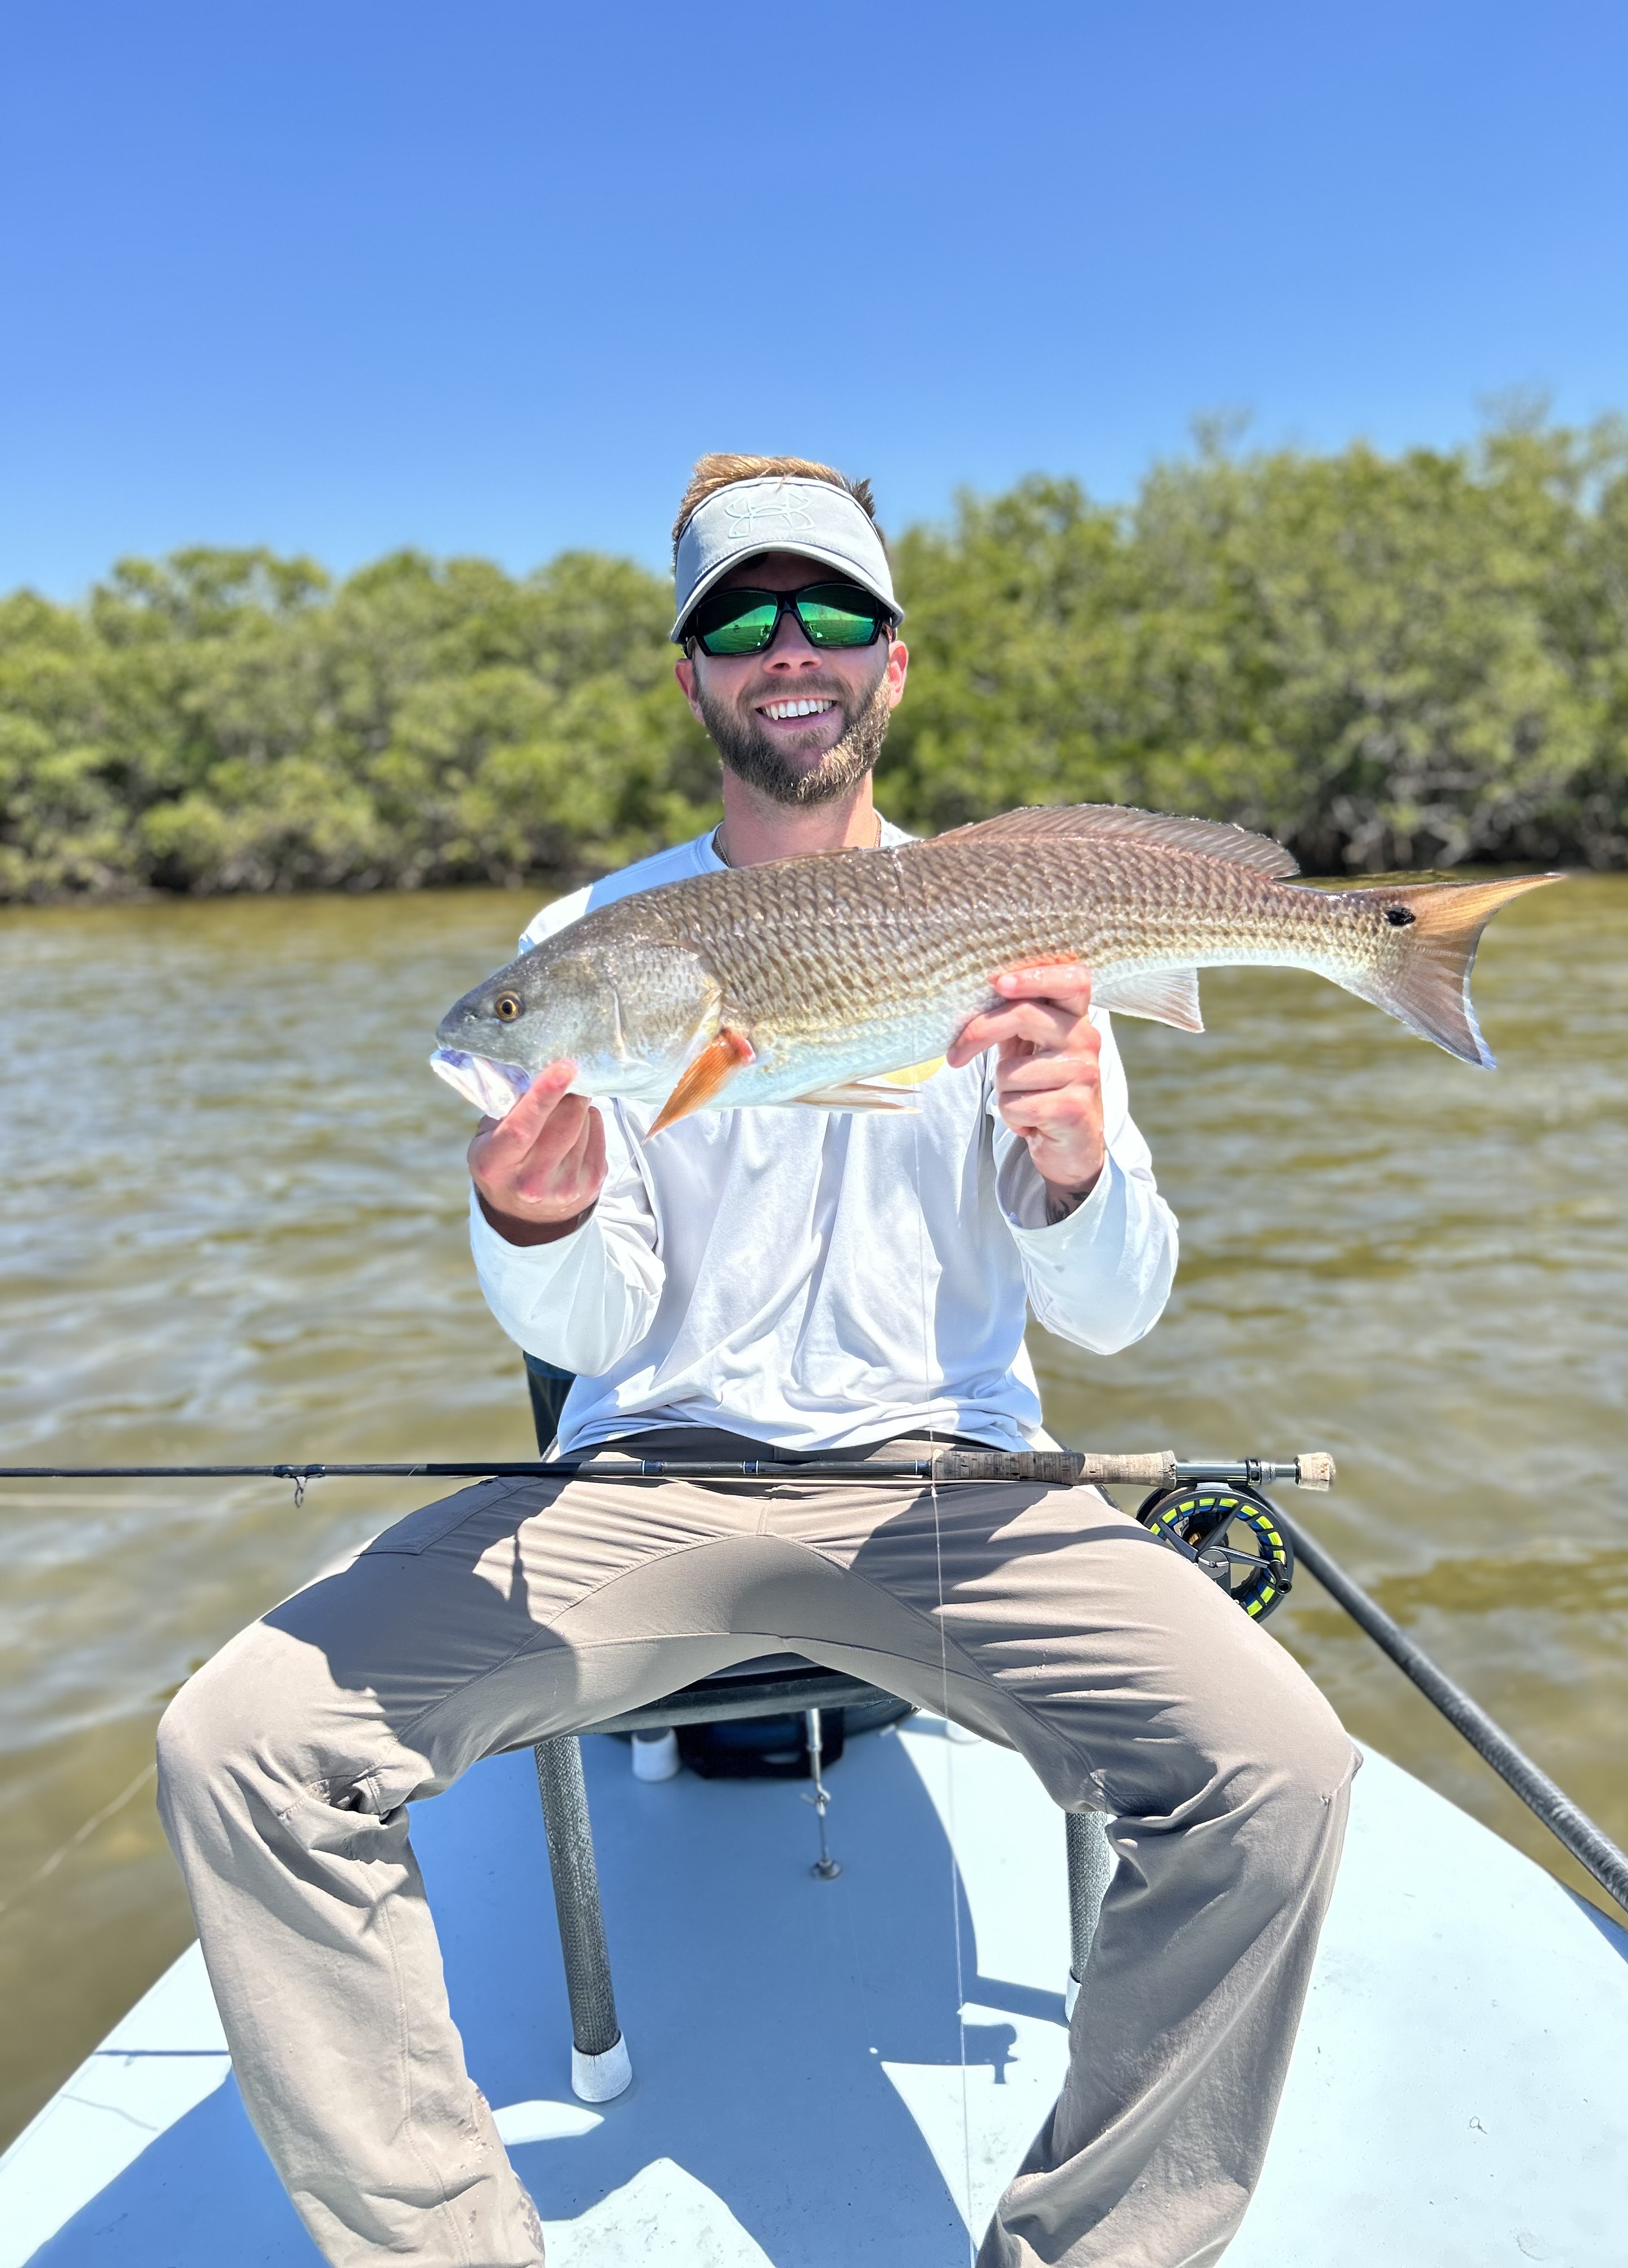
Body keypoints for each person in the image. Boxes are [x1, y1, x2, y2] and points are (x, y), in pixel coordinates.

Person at [157, 454, 1358, 2268]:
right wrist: (541, 1223)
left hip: (957, 1483)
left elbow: (1117, 1312)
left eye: (830, 614)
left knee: (1279, 1765)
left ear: (893, 660)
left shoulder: (1013, 909)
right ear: (693, 674)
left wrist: (1077, 1162)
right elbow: (588, 1328)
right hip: (657, 1483)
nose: (786, 648)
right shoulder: (593, 946)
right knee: (238, 1742)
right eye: (739, 619)